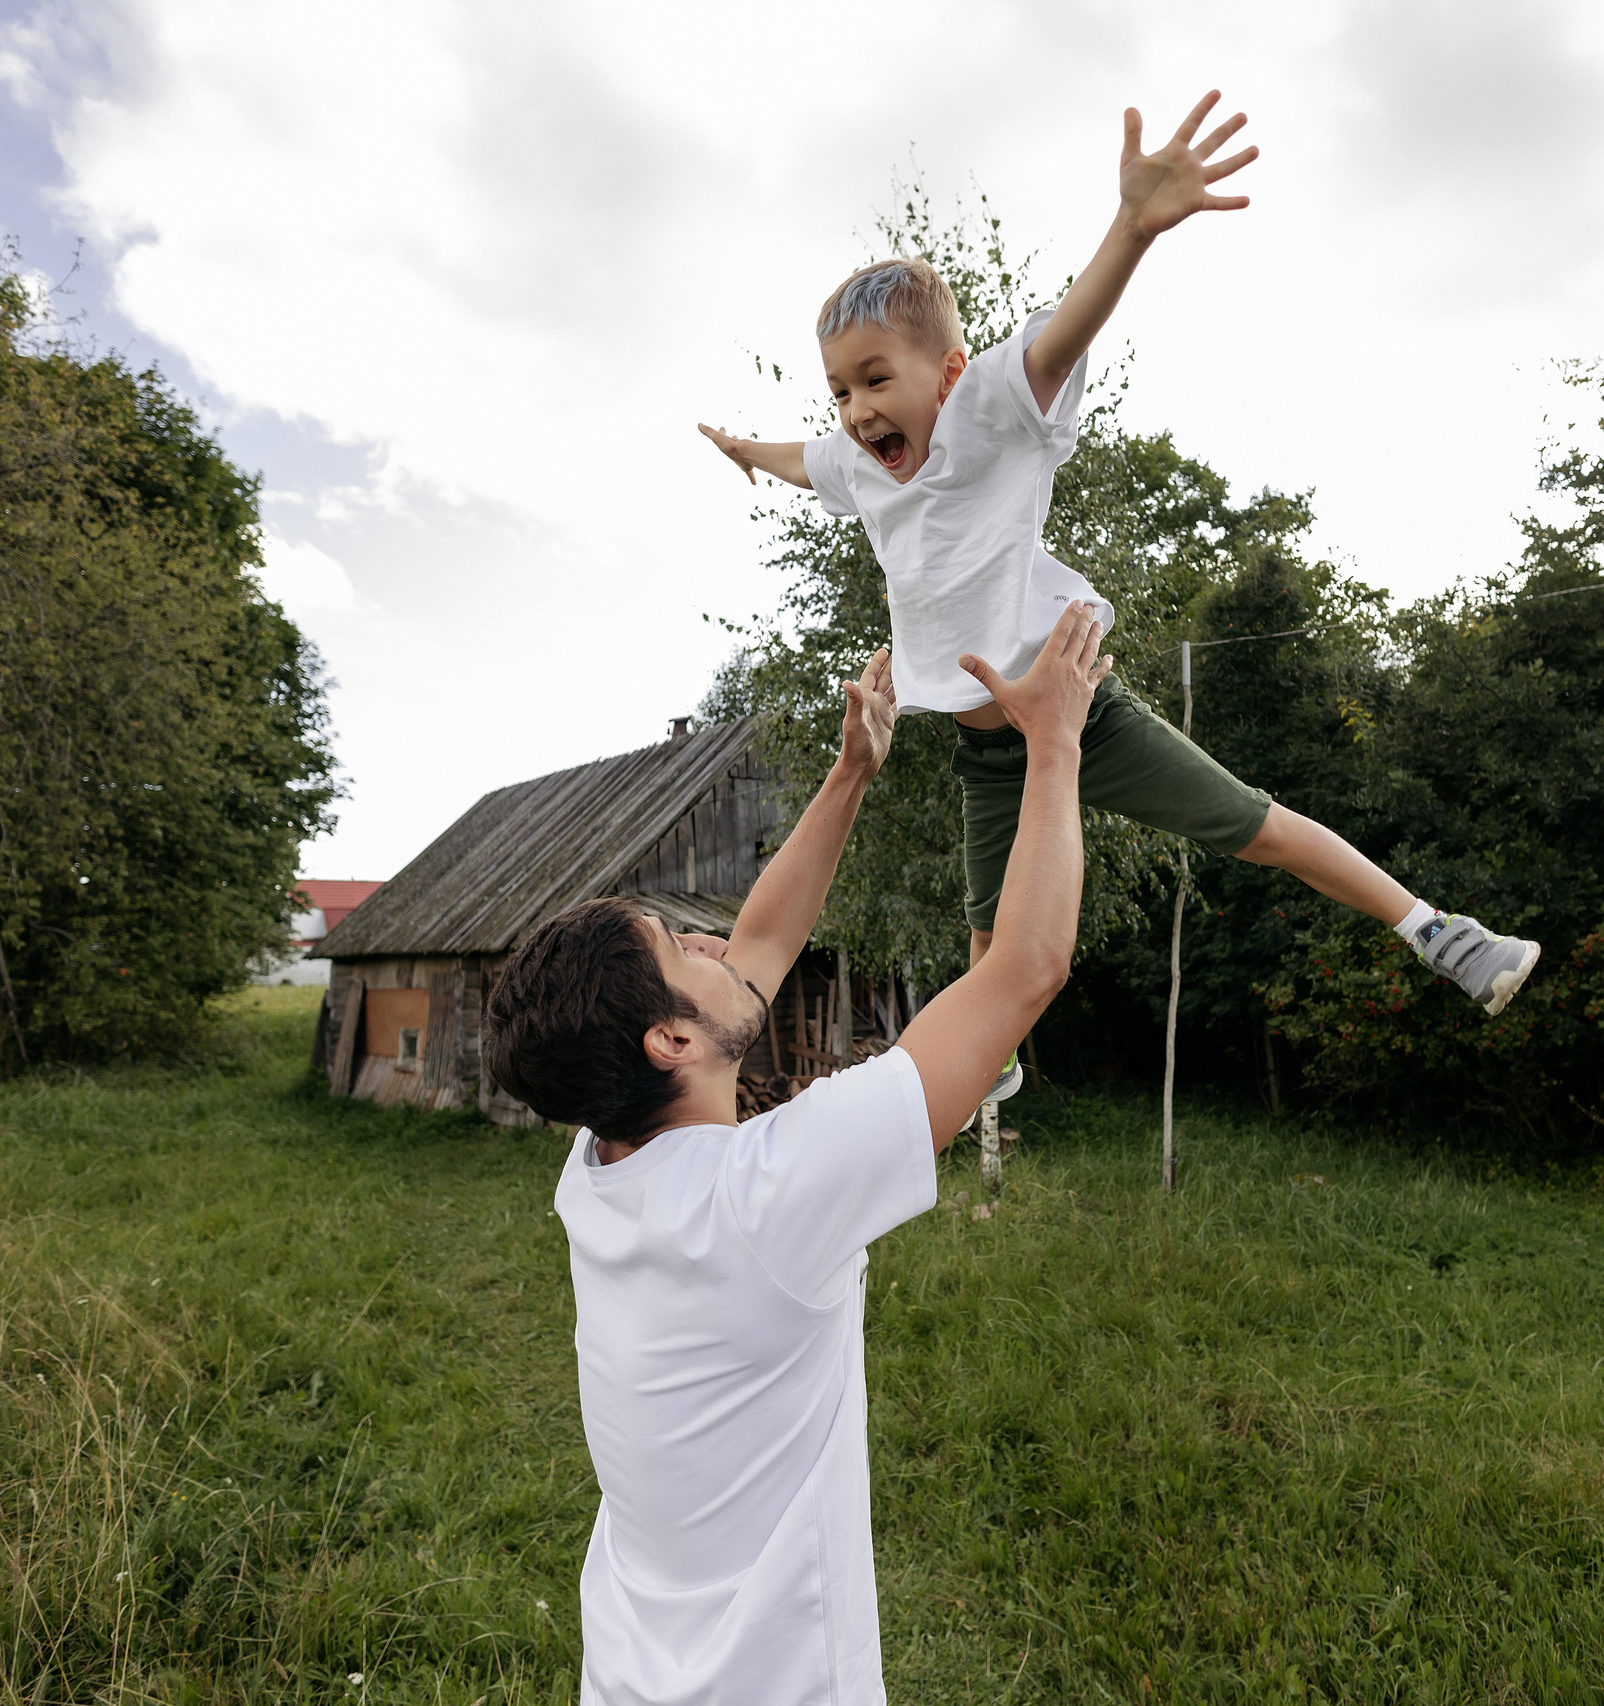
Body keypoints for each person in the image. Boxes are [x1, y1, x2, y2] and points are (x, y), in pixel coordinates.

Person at [698, 93, 1539, 1108]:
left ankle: (1441, 933)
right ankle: (992, 1060)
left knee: (1256, 825)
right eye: (839, 389)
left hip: (1075, 713)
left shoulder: (991, 409)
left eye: (876, 380)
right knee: (986, 938)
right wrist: (745, 450)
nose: (856, 409)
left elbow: (1060, 335)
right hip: (988, 750)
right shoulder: (858, 459)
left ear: (949, 374)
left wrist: (1133, 228)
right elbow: (808, 459)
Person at [485, 603, 1111, 1706]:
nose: (711, 939)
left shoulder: (597, 1165)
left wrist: (851, 772)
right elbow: (1025, 969)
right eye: (679, 948)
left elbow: (761, 945)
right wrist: (1055, 740)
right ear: (669, 1042)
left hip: (630, 1677)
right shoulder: (765, 1197)